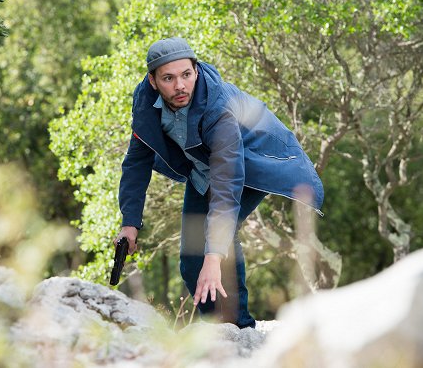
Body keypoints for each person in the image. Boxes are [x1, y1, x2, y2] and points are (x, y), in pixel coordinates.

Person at [114, 37, 324, 328]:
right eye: (168, 78)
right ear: (152, 81)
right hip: (206, 167)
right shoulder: (145, 104)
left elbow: (227, 183)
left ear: (196, 71)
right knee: (191, 261)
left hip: (255, 161)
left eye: (186, 75)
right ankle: (215, 329)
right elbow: (136, 162)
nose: (180, 86)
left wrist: (214, 256)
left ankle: (238, 328)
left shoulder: (218, 109)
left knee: (216, 248)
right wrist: (130, 223)